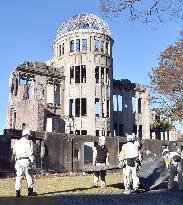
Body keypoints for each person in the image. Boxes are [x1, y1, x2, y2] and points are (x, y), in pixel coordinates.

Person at [13, 129, 37, 197]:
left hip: (18, 161)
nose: (29, 137)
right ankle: (30, 192)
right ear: (26, 135)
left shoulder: (17, 142)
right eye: (29, 135)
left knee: (19, 177)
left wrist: (15, 159)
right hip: (26, 160)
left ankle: (17, 193)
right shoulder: (28, 142)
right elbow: (30, 153)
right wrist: (33, 160)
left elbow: (14, 151)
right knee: (29, 176)